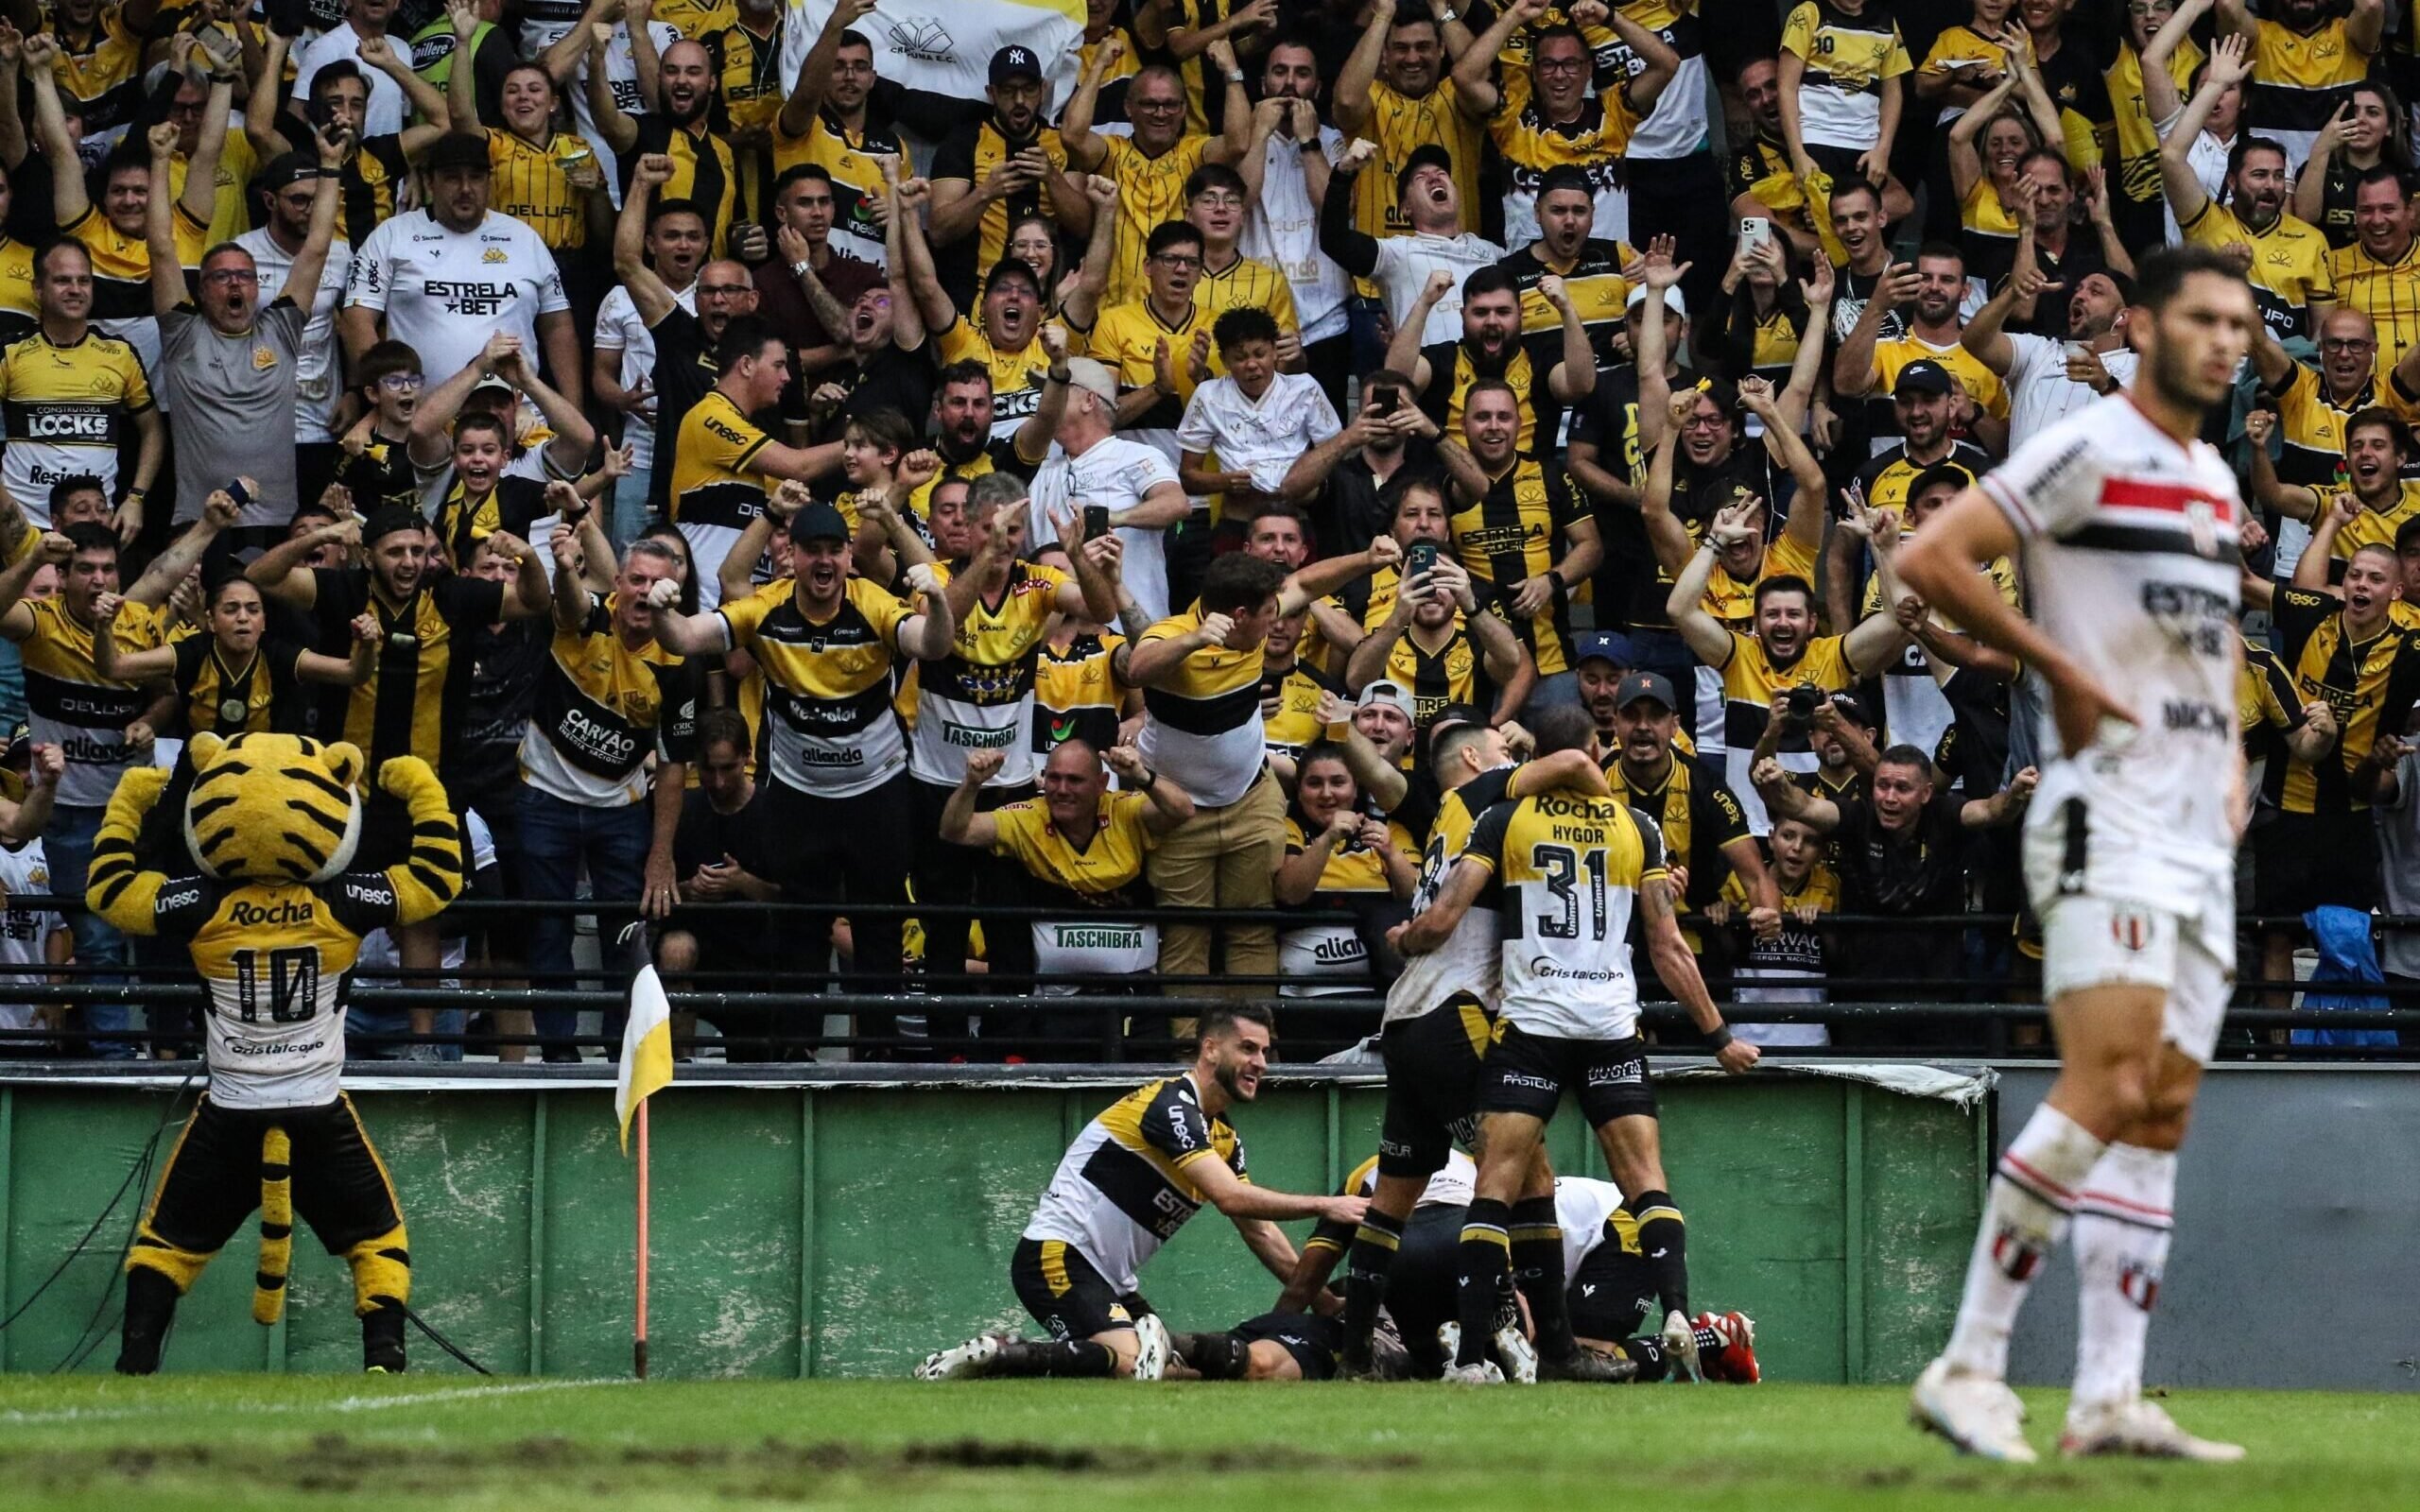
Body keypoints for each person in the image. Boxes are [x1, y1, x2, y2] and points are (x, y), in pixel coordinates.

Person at [1898, 244, 2258, 1461]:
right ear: (2146, 326)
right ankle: (1968, 1362)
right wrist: (2057, 668)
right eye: (2204, 318)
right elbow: (1928, 558)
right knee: (2104, 1082)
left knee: (2158, 1108)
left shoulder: (2211, 475)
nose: (2227, 339)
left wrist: (2228, 759)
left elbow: (2198, 645)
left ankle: (2107, 1396)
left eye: (2242, 323)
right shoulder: (2088, 443)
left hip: (2192, 825)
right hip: (2102, 809)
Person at [1396, 704, 1757, 1384]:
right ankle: (1679, 1314)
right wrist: (1719, 1038)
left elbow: (1445, 915)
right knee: (1646, 1184)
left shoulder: (1505, 819)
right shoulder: (1638, 826)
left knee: (1494, 1192)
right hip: (1610, 1024)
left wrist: (1408, 938)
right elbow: (1669, 945)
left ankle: (1472, 1359)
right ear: (1596, 749)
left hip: (1534, 1024)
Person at [915, 1005, 1368, 1381]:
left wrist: (1325, 1302)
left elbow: (1261, 1233)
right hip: (1057, 1255)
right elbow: (1231, 1198)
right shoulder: (1170, 1106)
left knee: (1175, 1373)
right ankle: (1000, 1358)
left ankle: (1005, 1353)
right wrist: (1329, 1204)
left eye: (1266, 1052)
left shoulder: (1223, 1136)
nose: (1261, 1063)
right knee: (1132, 1364)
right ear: (1210, 1049)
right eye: (1248, 1049)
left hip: (1111, 1278)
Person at [247, 507, 552, 1050]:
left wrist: (527, 557)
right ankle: (319, 1031)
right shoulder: (343, 589)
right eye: (396, 552)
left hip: (428, 792)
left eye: (417, 550)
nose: (409, 562)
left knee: (421, 915)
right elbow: (263, 577)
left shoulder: (455, 597)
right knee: (334, 912)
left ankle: (423, 1043)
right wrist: (320, 535)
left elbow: (535, 600)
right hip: (350, 792)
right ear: (369, 554)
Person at [647, 499, 956, 1019]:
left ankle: (876, 1055)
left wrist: (939, 601)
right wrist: (660, 609)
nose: (824, 562)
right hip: (799, 797)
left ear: (849, 555)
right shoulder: (766, 607)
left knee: (878, 925)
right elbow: (682, 636)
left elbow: (932, 644)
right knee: (799, 925)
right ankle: (796, 1047)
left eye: (835, 550)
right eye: (812, 551)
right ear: (793, 553)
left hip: (876, 793)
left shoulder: (873, 603)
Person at [1124, 549, 1389, 1012]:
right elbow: (1137, 668)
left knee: (1252, 931)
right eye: (1268, 616)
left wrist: (1367, 559)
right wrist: (1194, 641)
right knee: (1188, 937)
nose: (1277, 626)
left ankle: (1257, 1041)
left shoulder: (1257, 615)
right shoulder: (1173, 634)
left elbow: (1306, 584)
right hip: (1180, 811)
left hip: (1252, 798)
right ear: (1239, 615)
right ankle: (1191, 1049)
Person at [518, 527, 697, 1063]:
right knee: (548, 936)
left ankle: (624, 1053)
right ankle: (558, 1055)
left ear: (675, 596)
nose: (645, 592)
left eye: (658, 584)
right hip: (543, 799)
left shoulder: (680, 662)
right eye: (636, 579)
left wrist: (661, 858)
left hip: (621, 812)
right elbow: (569, 603)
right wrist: (565, 569)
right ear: (617, 582)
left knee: (629, 939)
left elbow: (672, 767)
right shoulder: (587, 614)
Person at [146, 118, 344, 546]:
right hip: (199, 521)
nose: (236, 284)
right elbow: (162, 246)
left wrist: (330, 166)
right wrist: (160, 161)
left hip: (276, 520)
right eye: (222, 278)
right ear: (201, 290)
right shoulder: (183, 334)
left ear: (257, 287)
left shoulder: (283, 329)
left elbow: (317, 248)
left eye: (245, 277)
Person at [1668, 518, 1911, 835]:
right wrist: (1714, 542)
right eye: (1772, 614)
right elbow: (1679, 610)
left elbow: (1899, 617)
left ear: (1812, 623)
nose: (1783, 623)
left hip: (1815, 829)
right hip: (1745, 829)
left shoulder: (1832, 656)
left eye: (1793, 614)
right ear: (1756, 622)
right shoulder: (1739, 656)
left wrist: (1883, 548)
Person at [938, 739, 1194, 1009]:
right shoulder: (1028, 818)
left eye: (1074, 780)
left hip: (1131, 995)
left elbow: (1183, 810)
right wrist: (972, 784)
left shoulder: (1124, 810)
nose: (1061, 790)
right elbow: (956, 831)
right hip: (1053, 999)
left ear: (1101, 783)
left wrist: (1142, 776)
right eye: (1054, 778)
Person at [341, 131, 580, 411]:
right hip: (421, 423)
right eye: (452, 177)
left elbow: (559, 327)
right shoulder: (392, 235)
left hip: (517, 422)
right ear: (430, 181)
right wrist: (390, 405)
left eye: (476, 177)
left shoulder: (524, 238)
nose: (466, 188)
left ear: (489, 182)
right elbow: (357, 322)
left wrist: (573, 411)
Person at [1449, 1, 1679, 252]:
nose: (1559, 75)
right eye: (1548, 65)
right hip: (1531, 282)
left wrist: (1610, 17)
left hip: (1607, 278)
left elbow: (1667, 63)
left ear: (1588, 70)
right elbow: (1463, 76)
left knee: (1670, 294)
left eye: (1570, 64)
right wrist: (1514, 15)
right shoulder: (1512, 119)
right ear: (1534, 73)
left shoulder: (1615, 114)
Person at [2157, 33, 2333, 343]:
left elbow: (2322, 332)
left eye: (2278, 176)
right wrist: (2215, 86)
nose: (2271, 185)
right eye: (2260, 175)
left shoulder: (2311, 240)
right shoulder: (2205, 223)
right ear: (2232, 181)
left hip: (2282, 378)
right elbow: (2171, 156)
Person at [1601, 668, 1781, 971]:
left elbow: (1755, 876)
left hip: (1690, 938)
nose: (1643, 727)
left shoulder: (1705, 785)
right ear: (1615, 723)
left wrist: (1769, 914)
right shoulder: (1595, 782)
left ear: (1674, 726)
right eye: (1631, 715)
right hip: (1613, 941)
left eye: (1655, 717)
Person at [1062, 37, 1253, 311]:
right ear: (1129, 108)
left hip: (1178, 310)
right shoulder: (1113, 152)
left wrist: (1231, 70)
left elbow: (1238, 142)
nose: (1161, 113)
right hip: (1114, 311)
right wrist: (1099, 66)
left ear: (1184, 109)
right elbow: (1071, 135)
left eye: (1171, 105)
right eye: (1149, 104)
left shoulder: (1193, 153)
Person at [1449, 380, 1600, 702]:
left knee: (1563, 753)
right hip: (1474, 667)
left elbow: (1591, 547)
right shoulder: (1446, 484)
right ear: (1463, 425)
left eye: (1503, 417)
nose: (1494, 427)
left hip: (1552, 660)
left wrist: (1552, 580)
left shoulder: (1552, 475)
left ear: (1519, 423)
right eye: (1482, 417)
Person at [0, 239, 163, 533]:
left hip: (97, 524)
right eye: (62, 280)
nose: (75, 289)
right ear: (37, 289)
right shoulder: (10, 352)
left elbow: (152, 429)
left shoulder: (120, 353)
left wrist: (136, 499)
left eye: (84, 280)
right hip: (22, 524)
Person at [658, 710, 785, 1058]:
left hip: (757, 950)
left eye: (727, 768)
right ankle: (677, 1065)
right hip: (699, 942)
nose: (717, 781)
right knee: (675, 948)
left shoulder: (773, 811)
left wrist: (741, 882)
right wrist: (688, 890)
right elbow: (657, 890)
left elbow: (790, 896)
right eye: (708, 769)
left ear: (747, 757)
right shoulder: (682, 809)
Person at [1238, 37, 1351, 409]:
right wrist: (1258, 135)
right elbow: (1239, 204)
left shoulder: (1336, 144)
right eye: (1280, 72)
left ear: (1317, 88)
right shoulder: (1240, 143)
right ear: (1263, 84)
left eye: (1302, 74)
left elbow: (1331, 206)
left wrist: (1308, 140)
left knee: (1325, 441)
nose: (1290, 83)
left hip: (1325, 321)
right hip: (1252, 320)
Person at [1392, 265, 1594, 466]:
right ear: (1463, 315)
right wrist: (1425, 302)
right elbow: (1393, 384)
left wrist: (1566, 308)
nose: (1491, 321)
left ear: (1520, 313)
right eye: (1480, 312)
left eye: (1503, 312)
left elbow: (1579, 388)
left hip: (1530, 492)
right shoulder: (1442, 359)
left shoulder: (1540, 358)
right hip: (1449, 489)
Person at [1343, 514, 1531, 729]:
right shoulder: (1385, 642)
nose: (1431, 591)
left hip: (1462, 758)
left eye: (1442, 578)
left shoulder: (1477, 644)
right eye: (1422, 579)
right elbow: (1356, 683)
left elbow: (1510, 662)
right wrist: (1397, 616)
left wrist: (1470, 603)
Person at [1320, 138, 1506, 352]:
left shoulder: (1493, 252)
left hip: (1487, 379)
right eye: (1421, 177)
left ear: (1456, 192)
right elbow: (1334, 239)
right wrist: (1344, 174)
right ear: (1406, 207)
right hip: (1429, 379)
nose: (1434, 178)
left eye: (1442, 173)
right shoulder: (1396, 254)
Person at [1272, 738, 1417, 1003]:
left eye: (1338, 782)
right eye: (1314, 783)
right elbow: (1289, 893)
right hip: (1302, 997)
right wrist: (1327, 839)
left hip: (1382, 996)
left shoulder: (1389, 830)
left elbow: (1415, 898)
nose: (1327, 794)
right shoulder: (1287, 828)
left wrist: (1391, 853)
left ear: (1356, 788)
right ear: (1300, 790)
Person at [2216, 0, 2383, 170]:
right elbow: (2228, 5)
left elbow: (2371, 5)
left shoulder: (2350, 36)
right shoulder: (2257, 37)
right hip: (2270, 181)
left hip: (2337, 181)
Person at [1776, 0, 1910, 194]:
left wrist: (1883, 150)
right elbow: (1786, 87)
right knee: (1817, 218)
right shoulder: (1807, 14)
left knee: (1860, 220)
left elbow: (1893, 92)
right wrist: (1798, 154)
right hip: (1816, 138)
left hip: (1866, 146)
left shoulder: (1886, 22)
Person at [2321, 166, 2420, 369]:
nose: (2377, 220)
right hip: (2360, 396)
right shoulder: (2331, 265)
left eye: (2388, 209)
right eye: (2366, 210)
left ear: (2410, 211)